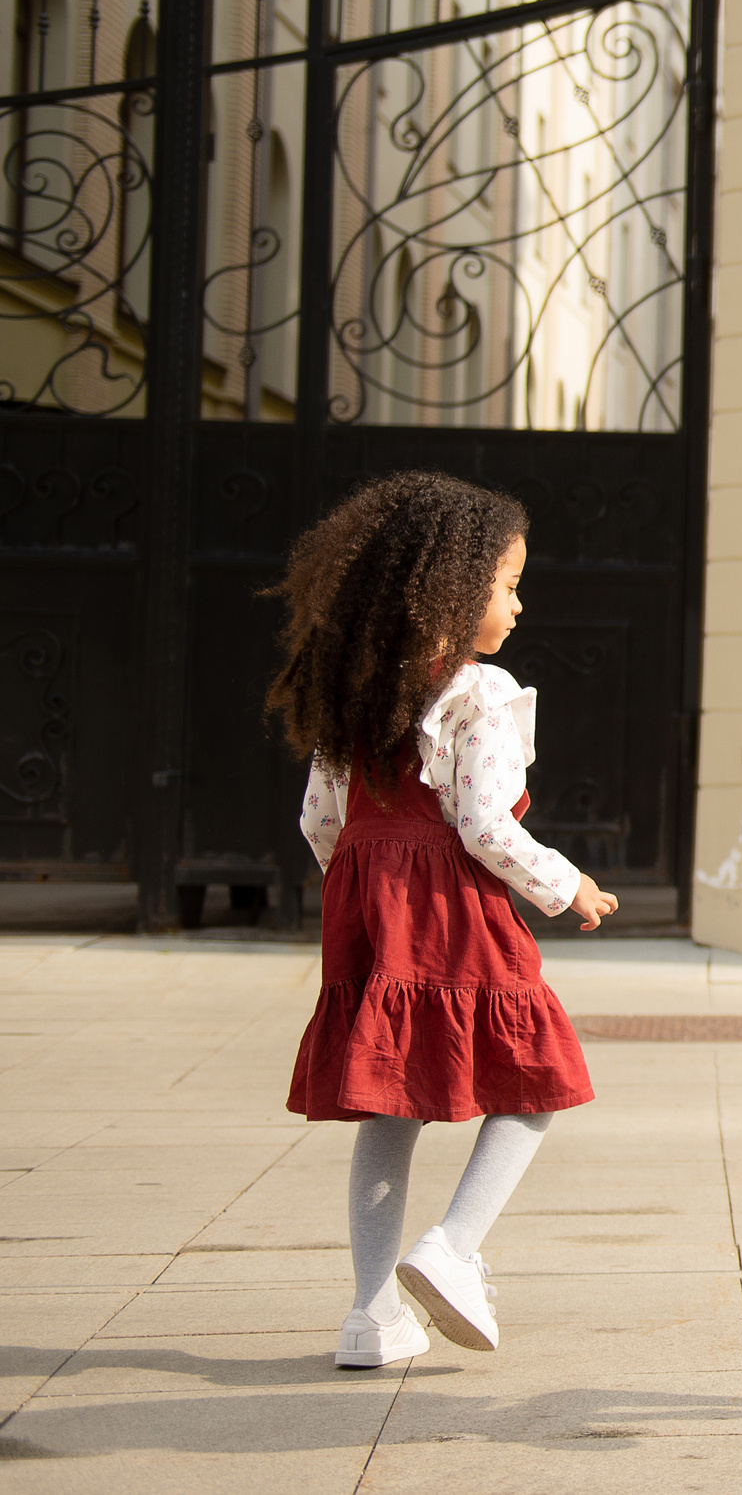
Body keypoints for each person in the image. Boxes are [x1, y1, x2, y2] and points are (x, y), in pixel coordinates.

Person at [264, 470, 617, 1369]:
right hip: (453, 908)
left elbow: (319, 820)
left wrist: (365, 892)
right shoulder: (481, 692)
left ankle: (370, 1315)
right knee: (539, 1079)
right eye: (507, 584)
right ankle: (453, 1248)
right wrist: (567, 883)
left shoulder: (357, 693)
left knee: (390, 1104)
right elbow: (484, 823)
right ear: (453, 592)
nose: (518, 604)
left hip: (372, 914)